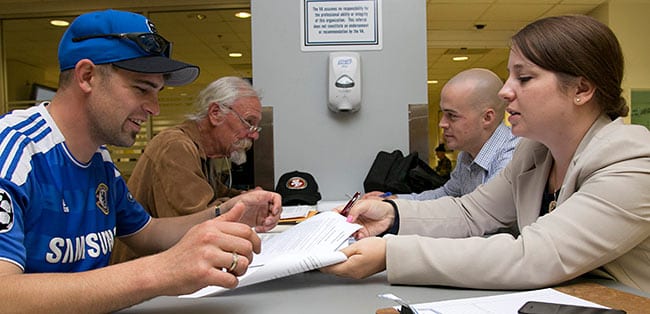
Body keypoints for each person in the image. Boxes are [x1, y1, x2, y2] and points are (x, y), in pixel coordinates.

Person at [322, 15, 650, 293]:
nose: (506, 92)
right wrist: (392, 215)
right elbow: (469, 213)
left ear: (581, 89)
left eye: (523, 78)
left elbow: (536, 256)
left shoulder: (630, 161)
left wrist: (390, 254)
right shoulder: (534, 153)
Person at [0, 10, 281, 313]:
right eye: (141, 89)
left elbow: (147, 233)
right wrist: (161, 272)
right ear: (87, 76)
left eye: (158, 92)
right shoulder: (14, 151)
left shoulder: (99, 159)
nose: (155, 109)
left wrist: (227, 211)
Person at [111, 76, 264, 264]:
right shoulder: (176, 147)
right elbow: (196, 221)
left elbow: (216, 196)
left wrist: (249, 198)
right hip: (142, 275)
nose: (254, 134)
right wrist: (244, 204)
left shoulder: (203, 152)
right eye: (248, 122)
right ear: (215, 113)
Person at [364, 68, 519, 201]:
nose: (442, 124)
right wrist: (394, 200)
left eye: (452, 116)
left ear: (487, 118)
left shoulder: (513, 156)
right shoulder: (466, 156)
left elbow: (479, 214)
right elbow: (447, 194)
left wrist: (397, 211)